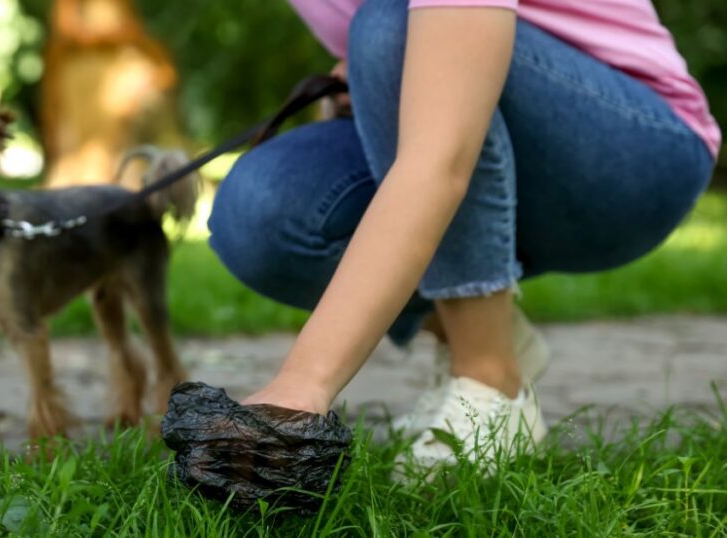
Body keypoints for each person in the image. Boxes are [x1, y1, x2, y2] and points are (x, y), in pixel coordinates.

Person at [207, 0, 720, 468]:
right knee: (262, 212)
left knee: (393, 29)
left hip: (632, 155)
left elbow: (441, 158)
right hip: (474, 116)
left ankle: (490, 382)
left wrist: (302, 386)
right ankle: (494, 330)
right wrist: (361, 79)